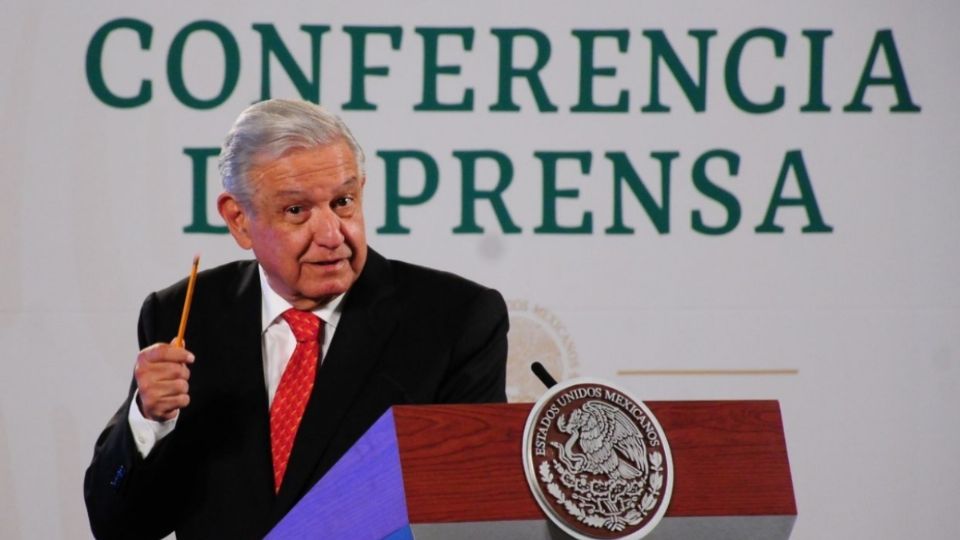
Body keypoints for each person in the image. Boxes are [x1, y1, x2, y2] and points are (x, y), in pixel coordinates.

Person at [83, 99, 508, 539]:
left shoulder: (454, 320)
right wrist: (148, 419)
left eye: (343, 202)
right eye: (296, 211)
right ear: (239, 219)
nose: (331, 235)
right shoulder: (185, 316)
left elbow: (473, 517)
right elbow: (120, 528)